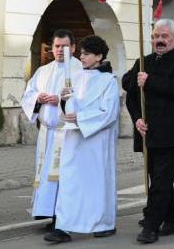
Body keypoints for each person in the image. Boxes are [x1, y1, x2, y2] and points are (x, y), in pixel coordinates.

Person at [122, 19, 174, 244]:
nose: (159, 41)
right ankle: (173, 219)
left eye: (164, 36)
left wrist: (150, 80)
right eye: (156, 36)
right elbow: (129, 89)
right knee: (158, 179)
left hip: (169, 132)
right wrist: (136, 119)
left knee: (161, 182)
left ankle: (151, 225)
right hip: (146, 132)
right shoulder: (144, 62)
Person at [40, 35, 119, 243]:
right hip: (73, 139)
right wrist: (65, 101)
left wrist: (81, 117)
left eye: (86, 53)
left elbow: (109, 113)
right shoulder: (75, 76)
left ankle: (103, 223)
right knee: (70, 183)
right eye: (81, 53)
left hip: (95, 142)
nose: (81, 57)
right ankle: (63, 227)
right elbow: (67, 110)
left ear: (99, 56)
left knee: (94, 183)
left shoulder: (109, 81)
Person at [21, 29, 82, 231]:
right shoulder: (44, 70)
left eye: (64, 46)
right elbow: (28, 94)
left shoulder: (80, 70)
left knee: (63, 176)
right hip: (47, 133)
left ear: (73, 48)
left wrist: (61, 100)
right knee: (45, 174)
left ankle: (62, 217)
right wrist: (38, 99)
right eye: (56, 46)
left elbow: (83, 98)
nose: (59, 50)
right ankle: (46, 211)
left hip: (67, 133)